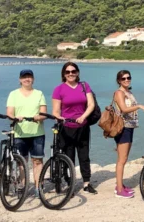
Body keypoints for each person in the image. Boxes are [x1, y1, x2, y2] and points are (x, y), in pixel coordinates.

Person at [51, 62, 97, 194]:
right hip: (66, 127)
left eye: (73, 71)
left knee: (84, 155)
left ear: (77, 72)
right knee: (68, 157)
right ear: (63, 74)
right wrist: (59, 118)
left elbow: (91, 104)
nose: (70, 74)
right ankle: (70, 184)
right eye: (67, 72)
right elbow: (55, 111)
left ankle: (86, 183)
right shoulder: (59, 89)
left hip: (82, 126)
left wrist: (83, 116)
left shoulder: (84, 86)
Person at [6, 69, 47, 198]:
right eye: (24, 77)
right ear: (20, 79)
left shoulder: (39, 93)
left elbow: (43, 112)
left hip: (37, 132)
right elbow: (9, 113)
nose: (27, 79)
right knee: (22, 162)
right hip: (20, 133)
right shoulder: (13, 94)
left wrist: (39, 117)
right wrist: (14, 117)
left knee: (37, 161)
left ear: (33, 79)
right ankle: (23, 187)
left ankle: (37, 187)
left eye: (29, 77)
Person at [113, 70, 144, 198]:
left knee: (123, 158)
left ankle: (120, 184)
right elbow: (123, 109)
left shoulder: (128, 92)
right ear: (119, 80)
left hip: (130, 127)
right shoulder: (119, 93)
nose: (126, 80)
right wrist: (139, 106)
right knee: (122, 160)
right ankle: (119, 189)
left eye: (128, 78)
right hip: (123, 127)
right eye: (123, 79)